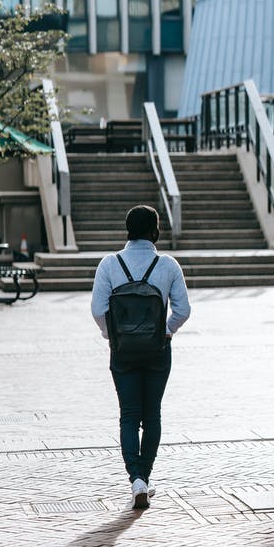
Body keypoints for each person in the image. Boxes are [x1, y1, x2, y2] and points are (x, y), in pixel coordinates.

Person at [91, 205, 191, 509]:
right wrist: (166, 331)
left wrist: (114, 335)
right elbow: (183, 310)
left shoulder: (110, 264)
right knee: (153, 414)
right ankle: (145, 477)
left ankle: (134, 478)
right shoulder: (168, 265)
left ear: (127, 231)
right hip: (158, 350)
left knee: (129, 414)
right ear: (155, 232)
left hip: (123, 351)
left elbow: (98, 310)